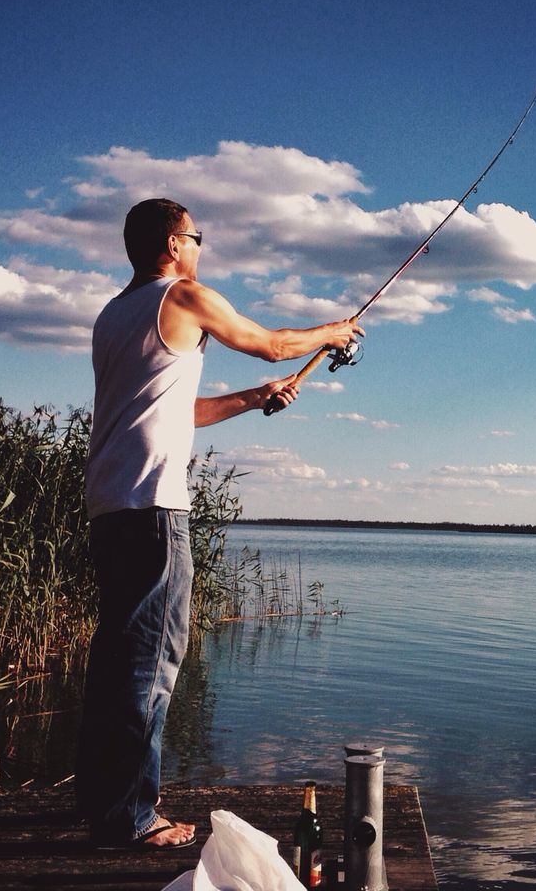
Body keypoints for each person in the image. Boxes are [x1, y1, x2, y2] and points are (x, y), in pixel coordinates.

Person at [76, 197, 363, 849]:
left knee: (117, 658)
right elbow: (268, 344)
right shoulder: (182, 295)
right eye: (198, 237)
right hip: (154, 506)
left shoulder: (113, 315)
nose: (202, 248)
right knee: (152, 660)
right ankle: (134, 817)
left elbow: (178, 412)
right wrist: (333, 332)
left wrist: (256, 399)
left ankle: (103, 801)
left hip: (111, 506)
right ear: (174, 244)